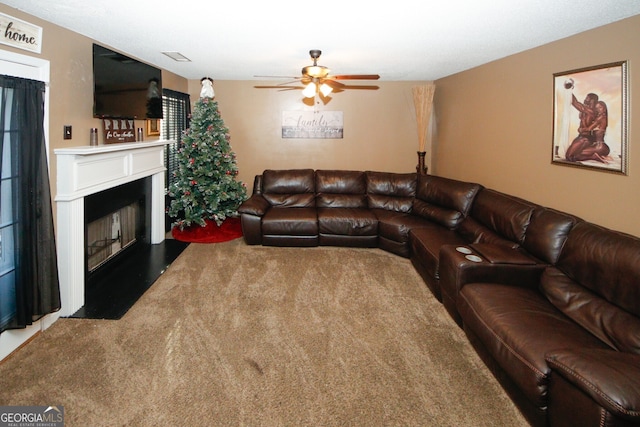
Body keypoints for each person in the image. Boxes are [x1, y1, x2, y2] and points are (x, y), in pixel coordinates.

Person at [565, 92, 598, 161]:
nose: (585, 99)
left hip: (586, 138)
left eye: (587, 98)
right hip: (581, 136)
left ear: (592, 100)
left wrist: (569, 90)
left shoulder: (590, 111)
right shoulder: (586, 110)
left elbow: (575, 103)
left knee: (569, 156)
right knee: (572, 156)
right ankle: (593, 156)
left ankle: (593, 157)